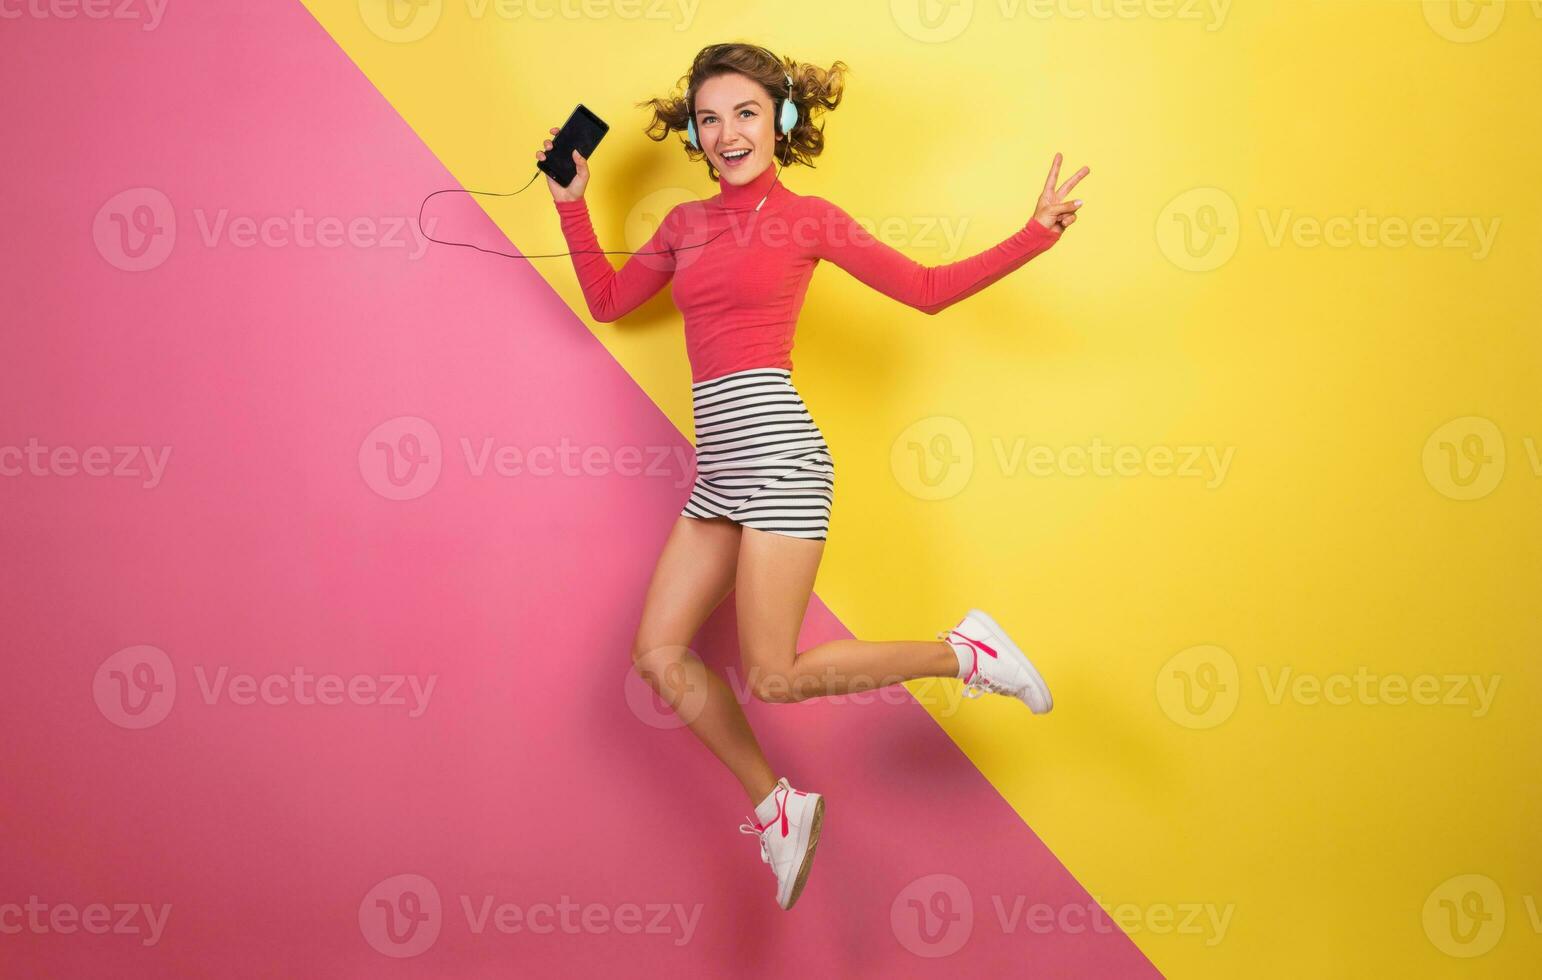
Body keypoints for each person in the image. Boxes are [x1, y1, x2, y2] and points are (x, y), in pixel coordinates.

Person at [537, 42, 1088, 911]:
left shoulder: (810, 219)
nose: (726, 134)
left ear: (781, 119)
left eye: (745, 113)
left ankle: (968, 653)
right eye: (709, 118)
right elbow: (609, 302)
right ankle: (777, 803)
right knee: (658, 654)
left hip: (782, 458)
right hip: (720, 468)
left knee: (776, 676)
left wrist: (1034, 235)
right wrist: (571, 204)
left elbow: (929, 289)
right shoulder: (685, 225)